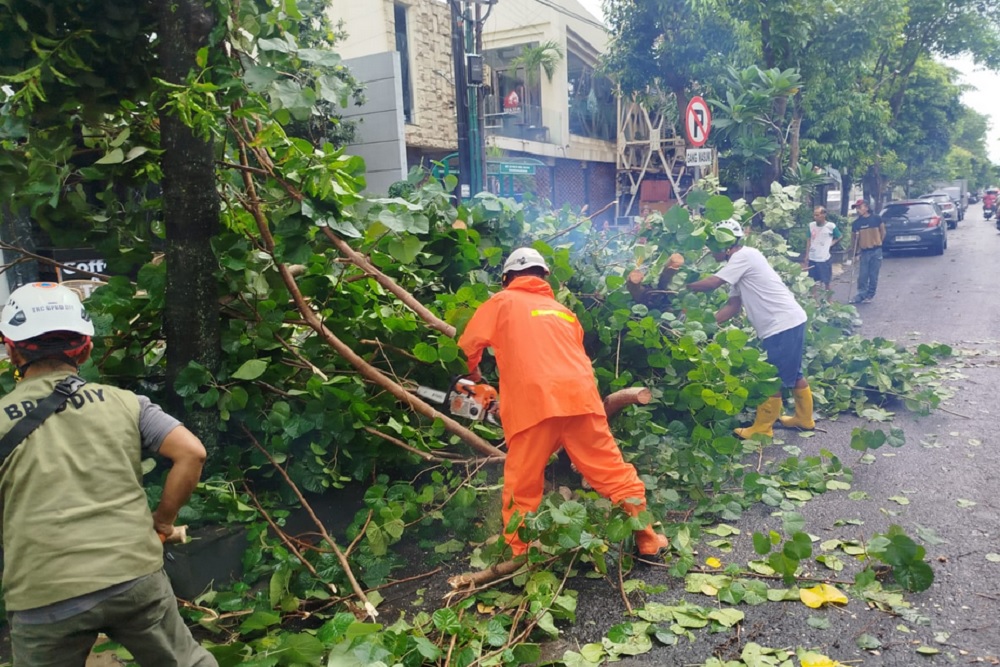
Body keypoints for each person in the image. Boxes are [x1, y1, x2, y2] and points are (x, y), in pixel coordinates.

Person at [0, 282, 216, 666]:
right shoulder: (128, 404)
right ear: (85, 348)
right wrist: (162, 523)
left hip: (45, 593)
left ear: (11, 348)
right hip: (135, 577)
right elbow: (192, 453)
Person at [458, 248, 669, 558]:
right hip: (582, 401)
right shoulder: (563, 312)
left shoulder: (501, 302)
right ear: (544, 276)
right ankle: (647, 539)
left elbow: (468, 344)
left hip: (534, 406)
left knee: (522, 486)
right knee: (614, 473)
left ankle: (520, 555)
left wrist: (473, 374)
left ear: (507, 279)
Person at [687, 220, 815, 439]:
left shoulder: (743, 257)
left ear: (724, 244)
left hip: (781, 324)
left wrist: (682, 284)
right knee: (793, 374)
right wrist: (704, 328)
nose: (710, 251)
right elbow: (732, 307)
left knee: (771, 377)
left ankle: (762, 429)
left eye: (712, 246)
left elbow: (712, 283)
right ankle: (804, 419)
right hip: (786, 322)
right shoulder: (741, 261)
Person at [848, 199, 885, 304]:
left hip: (876, 250)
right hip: (864, 252)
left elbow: (883, 232)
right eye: (856, 208)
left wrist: (878, 242)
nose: (858, 210)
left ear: (867, 208)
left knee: (873, 275)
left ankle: (870, 294)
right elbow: (854, 240)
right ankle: (861, 294)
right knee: (863, 275)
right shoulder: (856, 224)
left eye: (860, 207)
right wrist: (855, 253)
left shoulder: (877, 219)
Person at [803, 206, 842, 301]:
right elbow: (809, 240)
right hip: (813, 257)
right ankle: (814, 300)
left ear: (823, 215)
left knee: (827, 281)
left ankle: (829, 301)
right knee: (812, 281)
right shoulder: (811, 225)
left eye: (817, 215)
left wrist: (831, 243)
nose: (815, 217)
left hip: (824, 258)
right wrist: (807, 254)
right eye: (814, 215)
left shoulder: (830, 226)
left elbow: (839, 236)